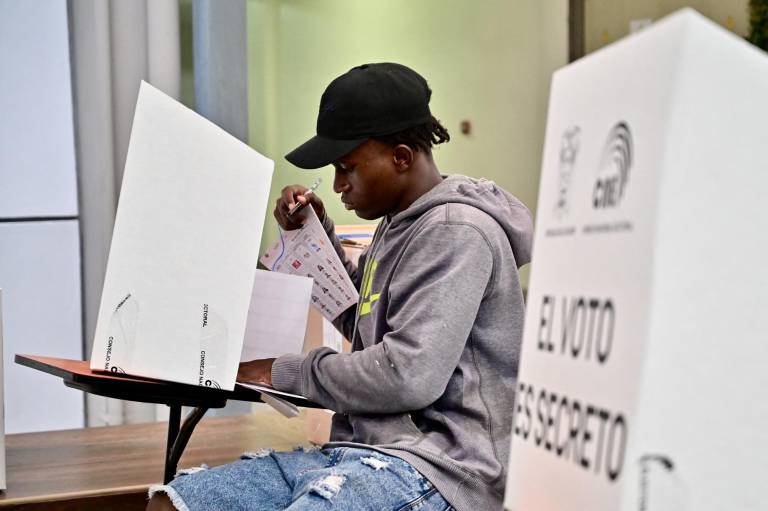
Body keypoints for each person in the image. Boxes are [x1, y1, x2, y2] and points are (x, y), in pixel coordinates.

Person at [147, 62, 532, 511]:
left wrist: (280, 371)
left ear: (401, 157)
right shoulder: (398, 225)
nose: (338, 185)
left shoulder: (455, 231)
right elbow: (361, 317)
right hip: (367, 450)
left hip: (442, 466)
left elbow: (406, 375)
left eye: (347, 167)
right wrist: (313, 235)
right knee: (173, 505)